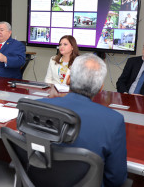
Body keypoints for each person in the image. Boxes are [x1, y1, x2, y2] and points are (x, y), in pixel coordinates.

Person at [39, 53, 127, 187]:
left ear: (68, 79)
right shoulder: (114, 121)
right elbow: (116, 179)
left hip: (38, 180)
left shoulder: (37, 106)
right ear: (101, 88)